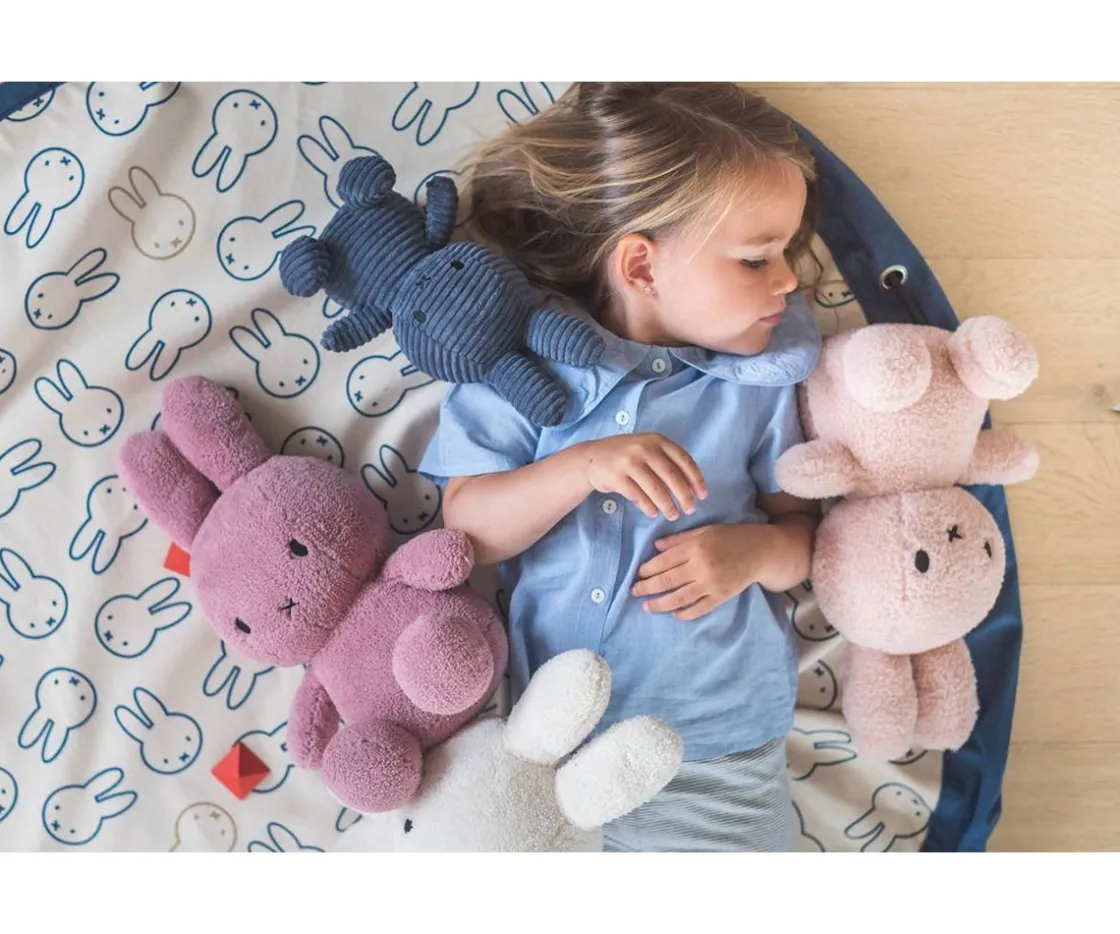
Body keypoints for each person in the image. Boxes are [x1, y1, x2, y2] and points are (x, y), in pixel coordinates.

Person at [418, 82, 822, 851]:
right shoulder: (522, 370)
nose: (788, 280)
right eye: (756, 258)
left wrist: (751, 554)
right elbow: (468, 529)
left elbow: (803, 536)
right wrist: (580, 468)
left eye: (787, 252)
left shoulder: (755, 383)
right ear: (641, 267)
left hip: (720, 750)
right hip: (556, 762)